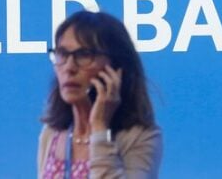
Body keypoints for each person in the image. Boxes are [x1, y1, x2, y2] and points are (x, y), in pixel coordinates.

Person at [38, 10, 162, 178]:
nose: (69, 67)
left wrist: (99, 128)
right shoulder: (52, 133)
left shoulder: (140, 138)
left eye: (84, 55)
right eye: (62, 54)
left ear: (115, 69)